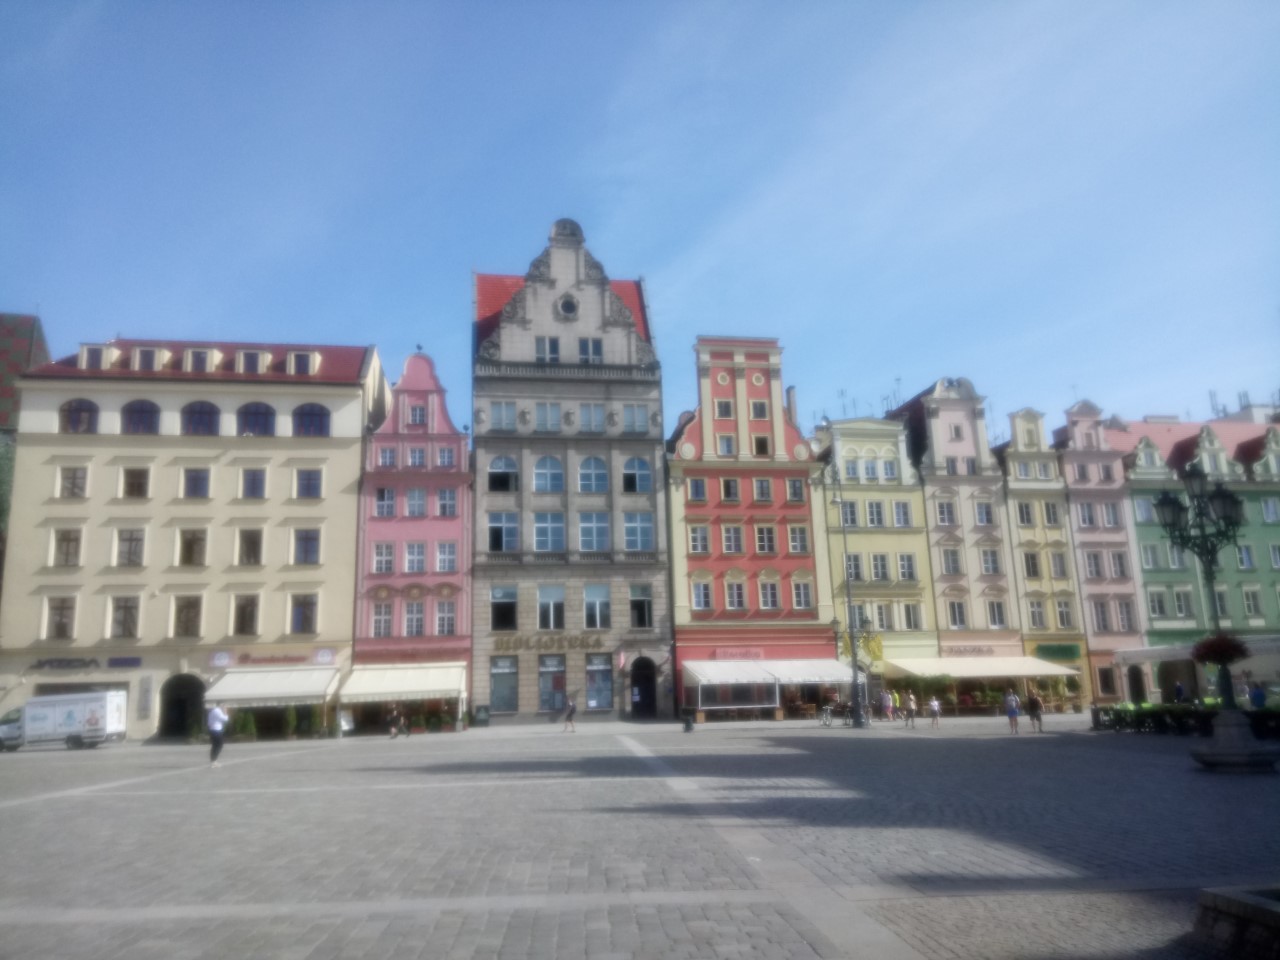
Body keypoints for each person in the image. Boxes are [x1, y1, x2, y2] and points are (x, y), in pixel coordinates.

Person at [207, 701, 229, 768]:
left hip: (214, 730)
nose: (224, 707)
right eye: (223, 705)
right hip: (216, 730)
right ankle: (213, 761)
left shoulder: (214, 710)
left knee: (215, 746)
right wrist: (225, 711)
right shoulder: (217, 711)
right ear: (220, 705)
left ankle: (214, 761)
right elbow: (225, 719)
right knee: (219, 745)